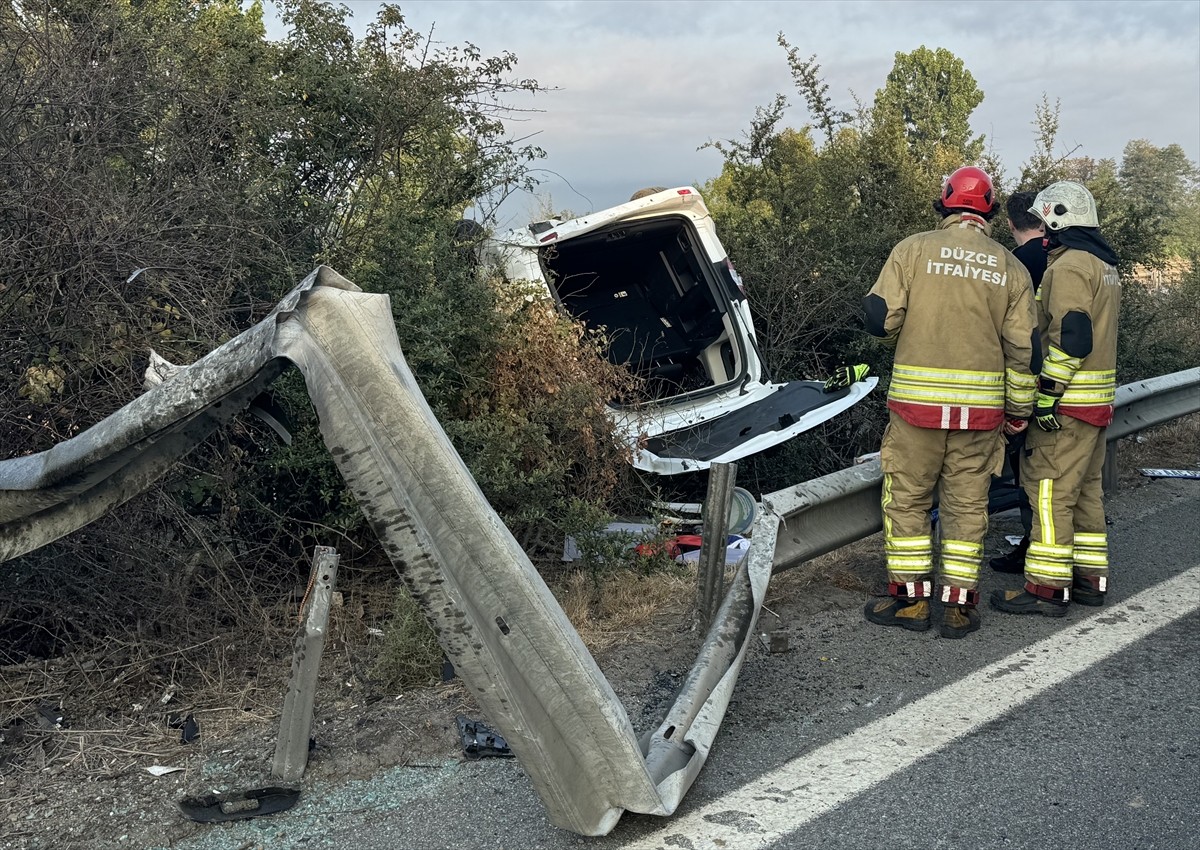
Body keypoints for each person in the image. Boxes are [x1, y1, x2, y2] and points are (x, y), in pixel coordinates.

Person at [861, 166, 1037, 639]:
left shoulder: (912, 251)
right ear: (991, 212)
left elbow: (880, 321)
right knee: (966, 505)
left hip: (917, 413)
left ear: (945, 203)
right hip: (981, 418)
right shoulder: (1011, 267)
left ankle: (912, 602)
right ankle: (959, 607)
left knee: (908, 502)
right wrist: (1019, 414)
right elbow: (1025, 351)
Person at [991, 181, 1120, 616]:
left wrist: (1046, 395)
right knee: (1084, 493)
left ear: (1059, 220)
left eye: (1047, 222)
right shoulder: (1103, 265)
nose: (1043, 231)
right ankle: (1089, 580)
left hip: (1066, 405)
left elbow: (1072, 336)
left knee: (1046, 491)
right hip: (1096, 403)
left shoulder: (1067, 268)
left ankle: (1046, 590)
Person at [989, 190, 1048, 573]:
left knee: (1029, 474)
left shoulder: (1011, 267)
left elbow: (1010, 335)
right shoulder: (1066, 257)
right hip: (1067, 382)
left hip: (1026, 383)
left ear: (1010, 224)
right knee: (1053, 478)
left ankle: (1034, 549)